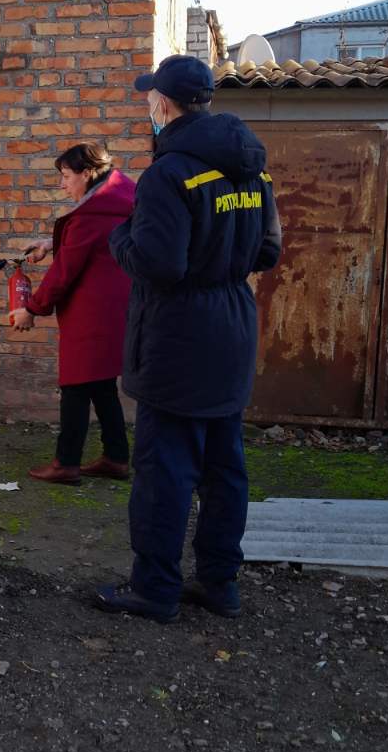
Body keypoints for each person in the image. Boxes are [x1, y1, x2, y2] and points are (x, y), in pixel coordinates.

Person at [98, 55, 281, 622]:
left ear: (163, 104)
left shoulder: (169, 174)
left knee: (165, 470)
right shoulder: (254, 169)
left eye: (151, 98)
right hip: (232, 328)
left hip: (178, 337)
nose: (149, 106)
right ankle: (220, 584)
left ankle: (154, 589)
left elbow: (160, 264)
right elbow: (268, 252)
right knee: (224, 469)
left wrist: (120, 239)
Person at [9, 143, 137, 484]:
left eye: (66, 176)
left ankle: (66, 464)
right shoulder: (120, 199)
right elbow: (95, 243)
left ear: (87, 173)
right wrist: (52, 243)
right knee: (102, 384)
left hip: (89, 313)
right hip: (114, 306)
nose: (62, 185)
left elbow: (64, 272)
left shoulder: (90, 214)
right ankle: (116, 458)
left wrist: (31, 308)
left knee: (76, 386)